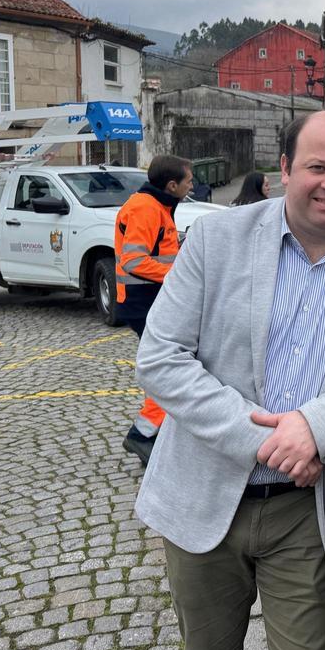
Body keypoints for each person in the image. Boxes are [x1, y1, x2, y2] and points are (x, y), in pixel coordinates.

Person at [134, 111, 325, 650]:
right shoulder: (216, 240)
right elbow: (160, 359)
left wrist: (315, 425)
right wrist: (271, 440)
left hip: (306, 514)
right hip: (203, 495)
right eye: (317, 166)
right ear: (285, 169)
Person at [116, 155, 194, 466]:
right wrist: (178, 273)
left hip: (148, 300)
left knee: (170, 366)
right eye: (188, 180)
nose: (193, 185)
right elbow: (134, 261)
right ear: (172, 185)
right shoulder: (146, 208)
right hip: (141, 302)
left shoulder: (156, 206)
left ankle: (154, 431)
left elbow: (157, 253)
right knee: (168, 369)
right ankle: (142, 434)